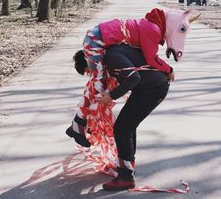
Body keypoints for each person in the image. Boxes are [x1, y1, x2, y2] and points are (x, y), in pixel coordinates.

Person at [66, 8, 198, 148]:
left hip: (95, 38)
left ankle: (81, 124)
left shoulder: (152, 26)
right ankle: (80, 125)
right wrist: (169, 69)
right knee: (99, 85)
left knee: (98, 84)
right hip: (96, 40)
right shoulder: (153, 29)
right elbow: (151, 58)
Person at [71, 44, 170, 191]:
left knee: (122, 128)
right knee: (127, 126)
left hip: (153, 89)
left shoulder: (111, 58)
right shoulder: (107, 57)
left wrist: (111, 96)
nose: (90, 75)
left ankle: (126, 177)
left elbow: (134, 78)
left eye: (88, 71)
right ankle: (128, 167)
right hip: (147, 88)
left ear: (91, 62)